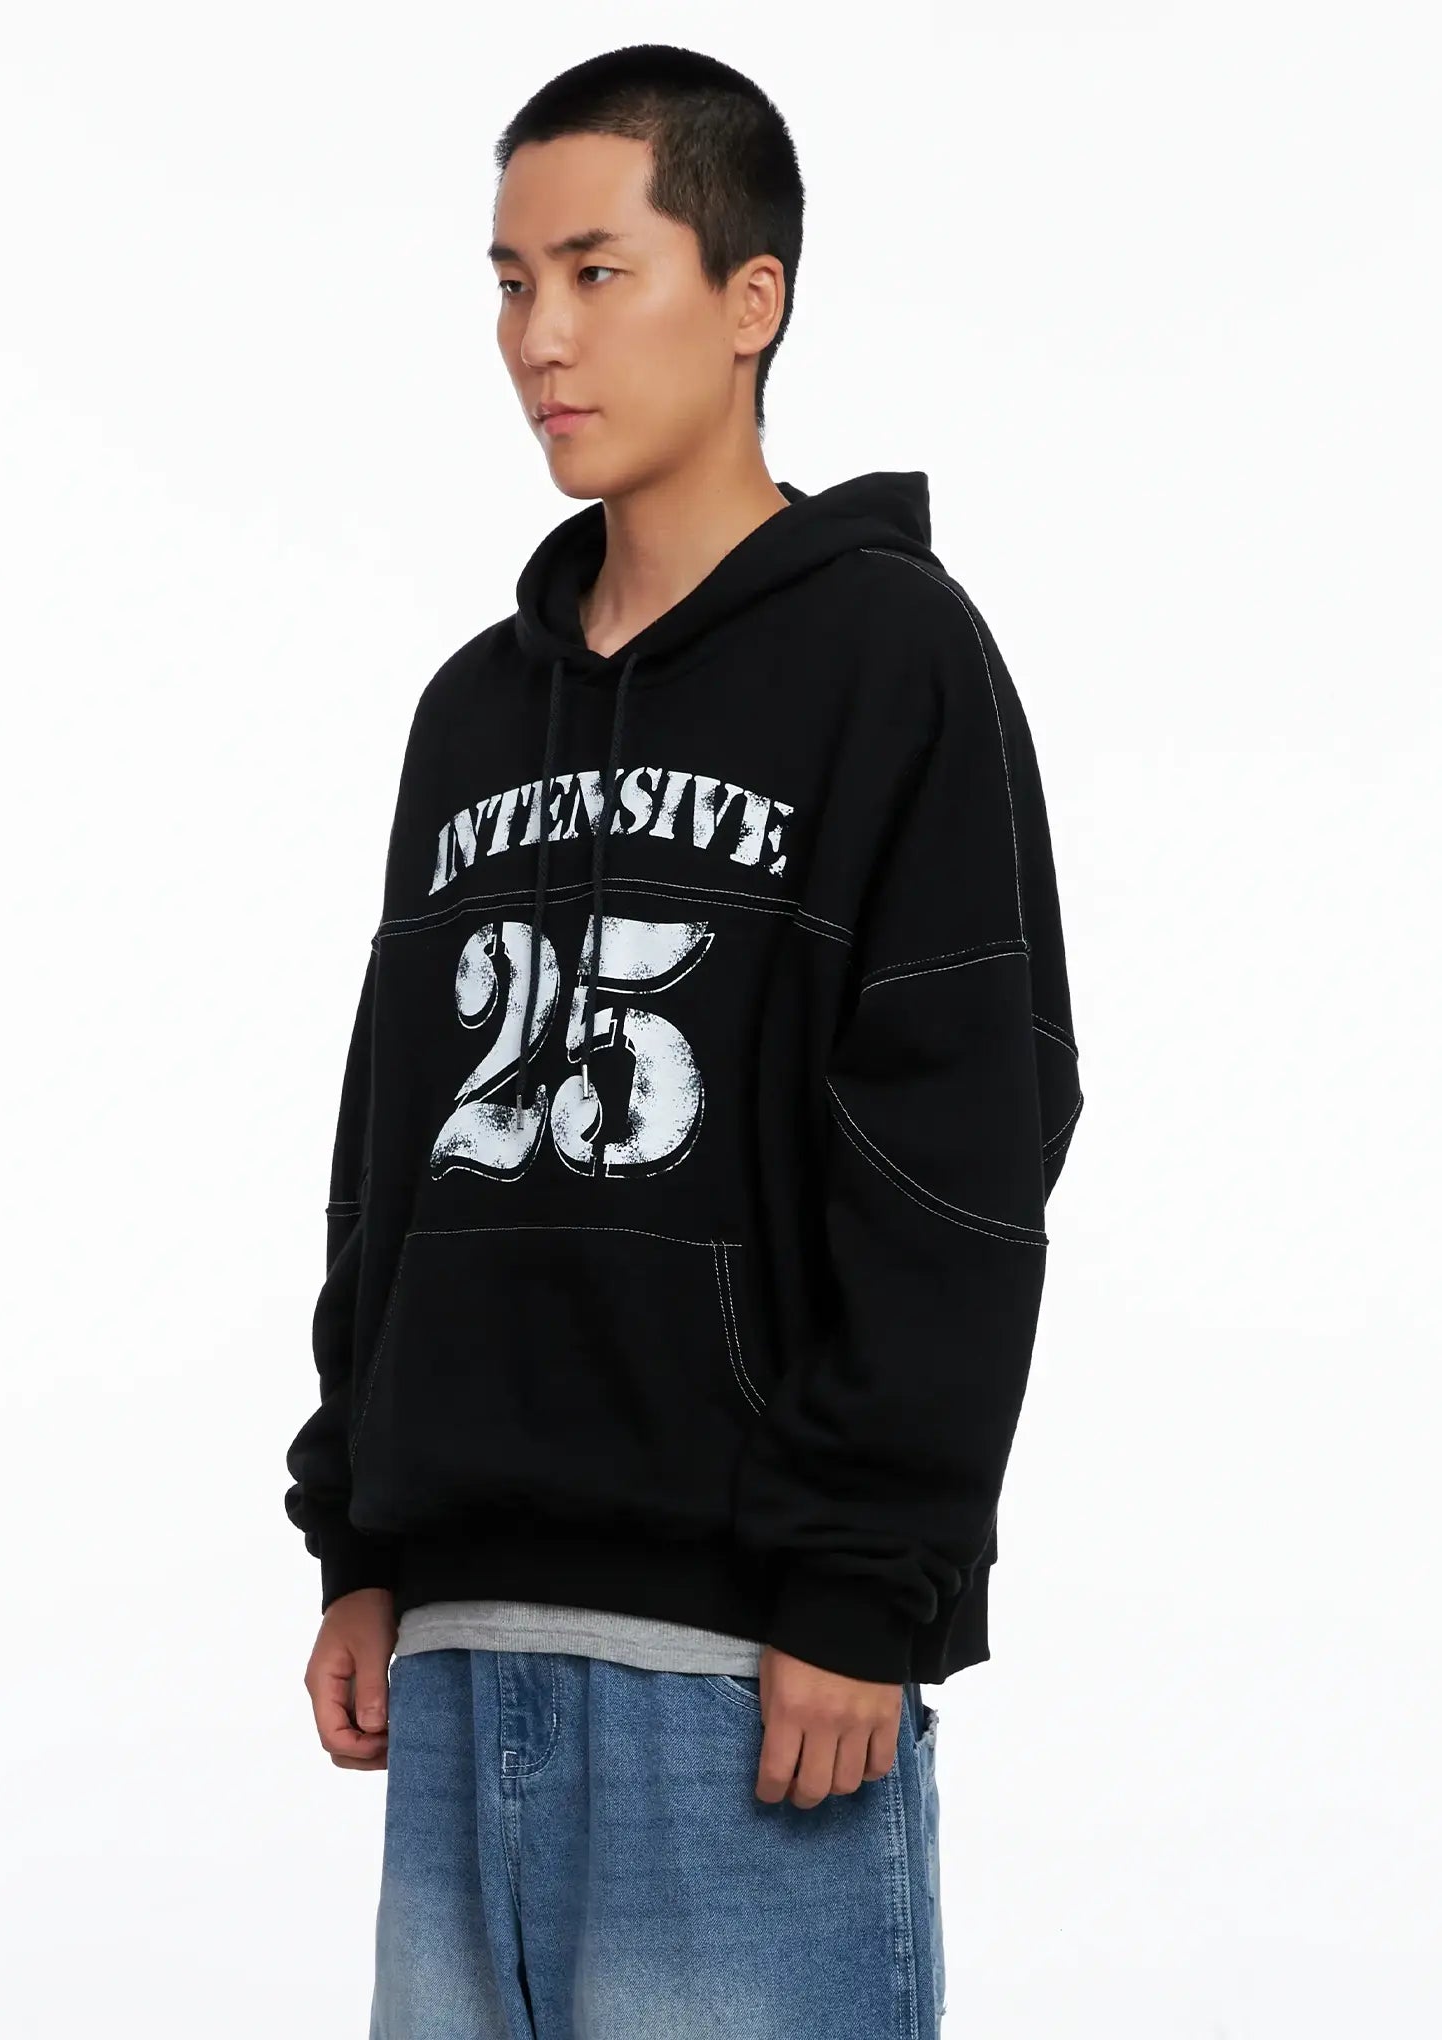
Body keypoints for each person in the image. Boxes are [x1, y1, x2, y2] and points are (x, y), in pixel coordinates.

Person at [283, 41, 1083, 2040]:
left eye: (593, 271)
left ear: (751, 299)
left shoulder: (895, 655)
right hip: (458, 1648)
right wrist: (359, 1540)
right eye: (508, 282)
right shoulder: (474, 712)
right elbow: (391, 1148)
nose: (537, 338)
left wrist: (866, 1579)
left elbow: (964, 1135)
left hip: (747, 1674)